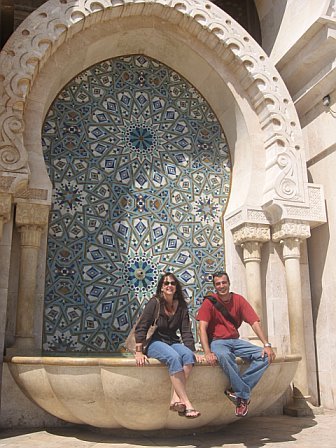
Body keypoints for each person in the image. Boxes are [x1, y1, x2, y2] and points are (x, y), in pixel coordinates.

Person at [197, 270, 276, 417]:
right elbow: (202, 328)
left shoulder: (238, 300)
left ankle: (237, 391)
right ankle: (243, 395)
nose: (221, 286)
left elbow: (254, 322)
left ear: (229, 283)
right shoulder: (209, 302)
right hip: (218, 341)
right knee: (224, 356)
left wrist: (266, 344)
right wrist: (207, 352)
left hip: (235, 341)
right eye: (218, 284)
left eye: (224, 283)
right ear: (215, 286)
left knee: (265, 356)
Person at [134, 272, 201, 419]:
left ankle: (174, 399)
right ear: (161, 288)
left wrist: (192, 350)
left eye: (172, 283)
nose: (169, 286)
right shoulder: (155, 303)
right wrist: (138, 351)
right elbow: (141, 327)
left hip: (172, 341)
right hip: (154, 342)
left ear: (176, 287)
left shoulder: (181, 306)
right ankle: (187, 404)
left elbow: (186, 331)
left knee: (189, 357)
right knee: (174, 358)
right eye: (166, 283)